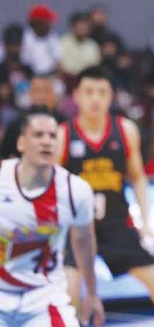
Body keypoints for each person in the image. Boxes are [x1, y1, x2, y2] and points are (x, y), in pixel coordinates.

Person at [57, 66, 154, 327]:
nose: (95, 98)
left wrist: (145, 222)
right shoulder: (63, 135)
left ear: (111, 96)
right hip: (75, 230)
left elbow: (138, 177)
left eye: (102, 92)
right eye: (89, 92)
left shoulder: (125, 130)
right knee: (67, 301)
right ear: (76, 96)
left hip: (117, 226)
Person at [0, 107, 104, 327]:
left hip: (44, 297)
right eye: (38, 135)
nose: (46, 142)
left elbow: (84, 241)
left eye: (52, 136)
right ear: (21, 144)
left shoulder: (75, 190)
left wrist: (92, 294)